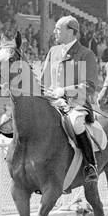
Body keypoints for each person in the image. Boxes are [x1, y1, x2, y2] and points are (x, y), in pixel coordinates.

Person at [40, 14, 100, 179]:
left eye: (59, 29)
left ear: (72, 31)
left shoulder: (85, 54)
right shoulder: (53, 52)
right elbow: (44, 80)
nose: (55, 32)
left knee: (75, 122)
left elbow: (90, 86)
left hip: (76, 104)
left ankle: (90, 165)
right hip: (52, 101)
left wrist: (64, 91)